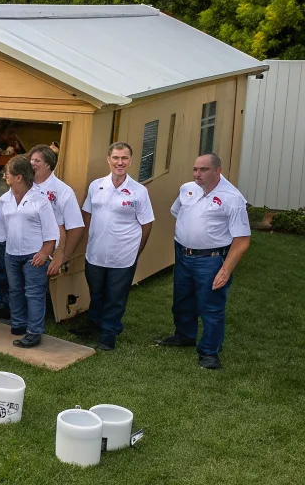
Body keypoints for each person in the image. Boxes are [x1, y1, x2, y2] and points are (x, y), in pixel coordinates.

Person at [155, 153, 251, 370]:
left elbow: (242, 240)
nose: (197, 174)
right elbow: (178, 212)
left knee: (211, 307)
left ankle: (209, 352)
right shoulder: (187, 188)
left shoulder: (232, 198)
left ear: (218, 171)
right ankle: (184, 335)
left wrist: (225, 270)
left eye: (203, 170)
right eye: (195, 169)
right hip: (182, 254)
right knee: (182, 300)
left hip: (211, 260)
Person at [78, 142, 155, 351]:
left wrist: (137, 251)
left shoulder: (139, 192)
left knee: (115, 296)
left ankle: (109, 333)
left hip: (123, 255)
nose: (119, 162)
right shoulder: (96, 186)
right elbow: (87, 214)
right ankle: (94, 324)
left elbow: (147, 224)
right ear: (108, 159)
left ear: (130, 161)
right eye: (116, 158)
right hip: (95, 252)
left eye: (124, 158)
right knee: (96, 292)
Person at [0, 154, 59, 348]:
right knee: (15, 291)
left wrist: (45, 253)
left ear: (19, 177)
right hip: (11, 253)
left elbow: (51, 232)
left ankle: (34, 332)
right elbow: (0, 229)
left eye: (7, 173)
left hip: (34, 255)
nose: (5, 176)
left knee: (34, 293)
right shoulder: (5, 200)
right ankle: (18, 324)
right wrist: (1, 251)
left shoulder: (40, 201)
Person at [29, 144, 84, 278]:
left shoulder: (63, 191)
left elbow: (76, 227)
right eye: (31, 160)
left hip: (47, 252)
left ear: (48, 164)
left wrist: (62, 258)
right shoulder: (23, 184)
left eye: (37, 161)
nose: (32, 164)